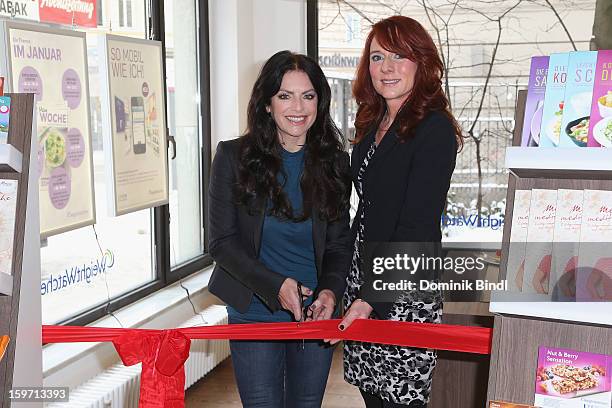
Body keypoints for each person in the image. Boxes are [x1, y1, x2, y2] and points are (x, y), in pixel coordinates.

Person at [328, 16, 463, 407]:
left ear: (421, 63)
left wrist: (370, 298)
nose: (386, 67)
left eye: (399, 56)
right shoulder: (375, 122)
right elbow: (368, 208)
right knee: (373, 392)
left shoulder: (432, 128)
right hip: (365, 275)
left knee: (399, 397)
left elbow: (417, 224)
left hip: (401, 286)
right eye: (377, 56)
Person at [208, 50, 352, 408]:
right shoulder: (232, 157)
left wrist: (331, 293)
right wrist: (277, 286)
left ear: (320, 101)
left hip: (314, 312)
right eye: (285, 95)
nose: (297, 107)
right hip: (254, 310)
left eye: (308, 95)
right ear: (267, 104)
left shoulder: (335, 162)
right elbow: (222, 244)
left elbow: (338, 244)